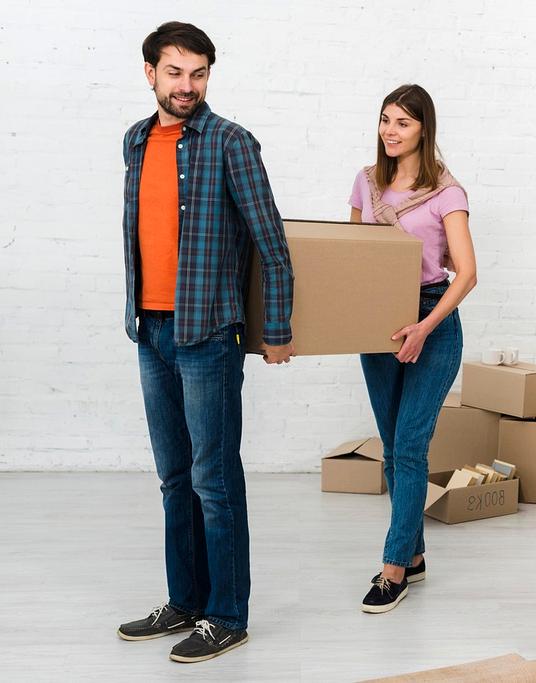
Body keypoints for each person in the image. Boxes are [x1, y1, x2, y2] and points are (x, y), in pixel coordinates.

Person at [116, 21, 295, 663]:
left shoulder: (231, 143)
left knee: (213, 480)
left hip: (208, 334)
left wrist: (275, 332)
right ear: (150, 73)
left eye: (198, 74)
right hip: (151, 329)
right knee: (173, 478)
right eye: (175, 72)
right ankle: (186, 601)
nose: (186, 85)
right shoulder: (137, 140)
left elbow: (273, 248)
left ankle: (227, 614)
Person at [349, 84, 477, 613]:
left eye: (402, 122)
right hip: (378, 324)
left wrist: (424, 326)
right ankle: (416, 555)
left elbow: (466, 274)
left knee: (408, 448)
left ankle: (394, 569)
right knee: (391, 446)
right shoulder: (366, 183)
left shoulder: (447, 193)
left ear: (424, 128)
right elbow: (352, 256)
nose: (390, 131)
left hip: (433, 322)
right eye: (384, 120)